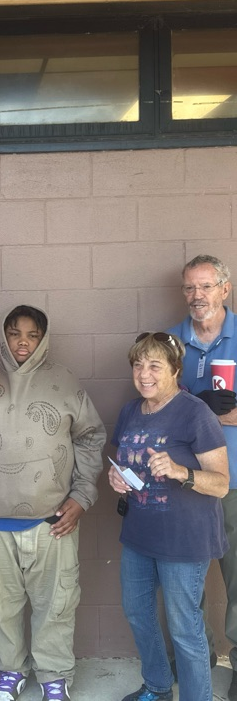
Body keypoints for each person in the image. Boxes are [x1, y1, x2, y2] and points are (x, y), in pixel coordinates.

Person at [0, 305, 105, 701]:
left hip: (52, 521)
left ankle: (53, 674)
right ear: (3, 336)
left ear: (43, 338)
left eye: (32, 334)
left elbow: (90, 437)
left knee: (57, 602)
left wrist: (82, 495)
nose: (23, 342)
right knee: (0, 603)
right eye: (15, 333)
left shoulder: (64, 381)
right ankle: (10, 671)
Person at [109, 331, 229, 701]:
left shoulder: (196, 413)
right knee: (138, 615)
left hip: (184, 539)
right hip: (139, 534)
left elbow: (222, 484)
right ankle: (158, 687)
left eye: (155, 365)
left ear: (175, 370)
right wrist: (115, 476)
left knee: (184, 628)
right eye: (138, 364)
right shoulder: (130, 410)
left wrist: (181, 472)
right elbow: (125, 462)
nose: (145, 373)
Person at [167, 253, 237, 697]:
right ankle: (197, 655)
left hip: (235, 481)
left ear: (224, 290)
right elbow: (155, 400)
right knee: (182, 580)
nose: (198, 296)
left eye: (206, 286)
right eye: (190, 288)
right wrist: (196, 412)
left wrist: (227, 417)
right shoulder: (171, 342)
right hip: (184, 480)